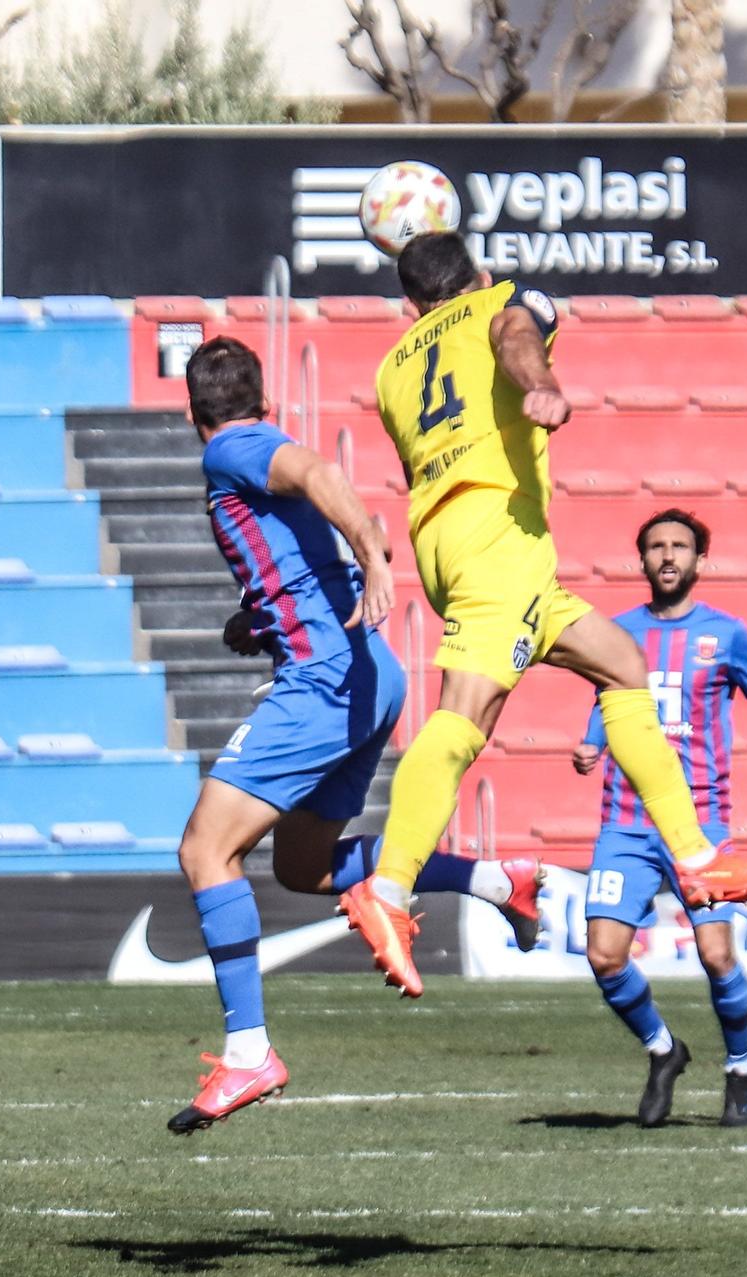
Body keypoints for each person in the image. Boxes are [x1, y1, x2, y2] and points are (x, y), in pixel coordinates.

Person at [364, 232, 747, 1001]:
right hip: (499, 533)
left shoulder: (391, 369)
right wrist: (541, 383)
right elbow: (513, 332)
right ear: (479, 276)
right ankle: (388, 889)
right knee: (465, 714)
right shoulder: (502, 299)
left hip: (452, 541)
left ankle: (696, 858)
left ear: (408, 305)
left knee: (623, 663)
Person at [167, 337, 544, 1135]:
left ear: (194, 410)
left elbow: (320, 473)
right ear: (261, 395)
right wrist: (259, 616)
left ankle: (247, 1050)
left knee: (206, 850)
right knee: (304, 866)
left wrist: (375, 558)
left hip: (325, 680)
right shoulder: (250, 448)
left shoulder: (232, 447)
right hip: (367, 674)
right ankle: (496, 883)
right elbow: (296, 551)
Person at [571, 510, 747, 1130]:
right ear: (640, 559)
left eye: (680, 547)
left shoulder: (725, 634)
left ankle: (741, 1069)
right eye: (656, 547)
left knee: (717, 953)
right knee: (604, 954)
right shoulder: (615, 632)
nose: (668, 556)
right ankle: (664, 1050)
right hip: (625, 818)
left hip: (700, 823)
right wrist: (592, 742)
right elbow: (606, 698)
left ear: (700, 561)